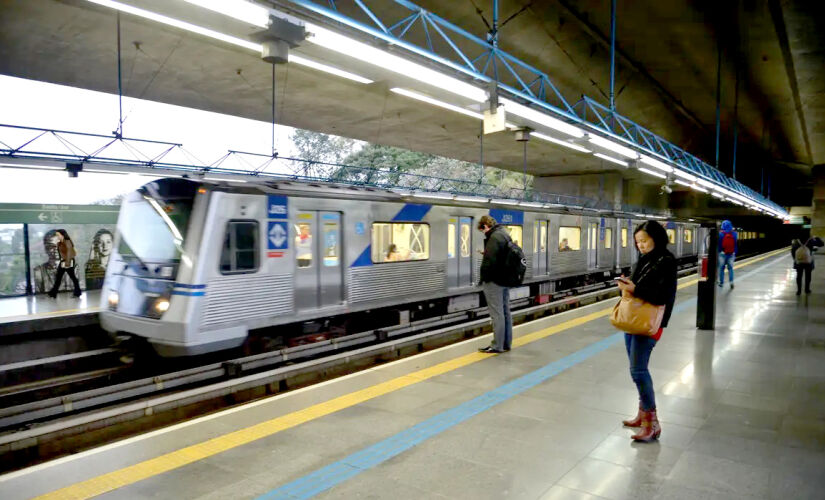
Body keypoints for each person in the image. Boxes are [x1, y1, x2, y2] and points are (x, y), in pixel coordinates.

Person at [616, 221, 677, 442]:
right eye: (637, 242)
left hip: (650, 323)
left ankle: (653, 423)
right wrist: (627, 285)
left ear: (656, 238)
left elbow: (662, 297)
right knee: (637, 370)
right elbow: (638, 286)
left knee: (638, 371)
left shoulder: (666, 261)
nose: (640, 245)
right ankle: (643, 415)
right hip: (633, 321)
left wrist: (635, 289)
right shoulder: (643, 259)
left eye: (644, 241)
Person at [477, 215, 513, 354]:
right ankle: (506, 343)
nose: (483, 233)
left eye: (482, 230)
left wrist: (484, 278)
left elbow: (490, 262)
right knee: (505, 312)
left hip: (494, 281)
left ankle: (497, 345)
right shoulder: (504, 234)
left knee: (497, 314)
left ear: (485, 226)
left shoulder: (493, 237)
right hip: (505, 279)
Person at [47, 229, 82, 298]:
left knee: (73, 277)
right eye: (56, 235)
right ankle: (53, 293)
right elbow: (61, 253)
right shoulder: (60, 243)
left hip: (69, 261)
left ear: (62, 235)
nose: (57, 236)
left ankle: (77, 292)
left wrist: (67, 264)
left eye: (58, 235)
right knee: (58, 277)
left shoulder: (67, 242)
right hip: (63, 261)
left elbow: (69, 253)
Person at [33, 229, 66, 294]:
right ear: (46, 249)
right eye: (52, 247)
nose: (56, 249)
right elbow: (39, 297)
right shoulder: (39, 271)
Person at [718, 220, 738, 289]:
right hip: (731, 254)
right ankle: (731, 282)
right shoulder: (735, 234)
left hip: (722, 254)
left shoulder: (720, 234)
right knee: (730, 268)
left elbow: (719, 245)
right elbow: (735, 244)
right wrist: (734, 252)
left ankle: (721, 283)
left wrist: (720, 251)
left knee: (721, 268)